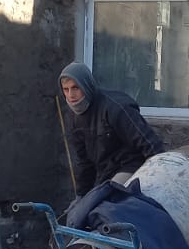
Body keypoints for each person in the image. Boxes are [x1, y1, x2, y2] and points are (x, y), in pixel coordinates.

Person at [58, 61, 165, 195]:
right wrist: (81, 196)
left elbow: (150, 143)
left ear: (86, 85)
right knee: (82, 209)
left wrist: (160, 180)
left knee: (106, 202)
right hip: (105, 174)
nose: (71, 95)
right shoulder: (74, 118)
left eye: (75, 88)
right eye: (66, 89)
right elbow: (84, 163)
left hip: (131, 166)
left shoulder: (115, 108)